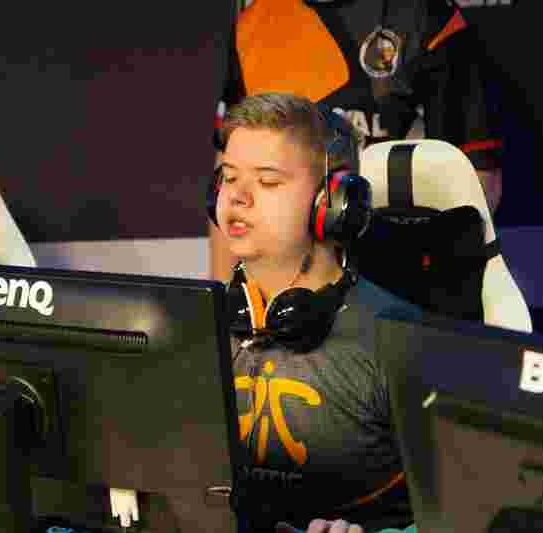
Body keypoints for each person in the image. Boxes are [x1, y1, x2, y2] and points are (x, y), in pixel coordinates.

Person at [212, 92, 415, 533]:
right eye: (229, 177)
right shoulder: (196, 333)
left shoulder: (401, 342)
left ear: (333, 202)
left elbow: (473, 510)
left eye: (267, 182)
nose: (238, 197)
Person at [210, 0, 504, 282]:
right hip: (285, 285)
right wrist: (223, 300)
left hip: (400, 279)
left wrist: (431, 281)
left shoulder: (425, 15)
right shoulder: (253, 25)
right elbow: (230, 179)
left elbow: (477, 178)